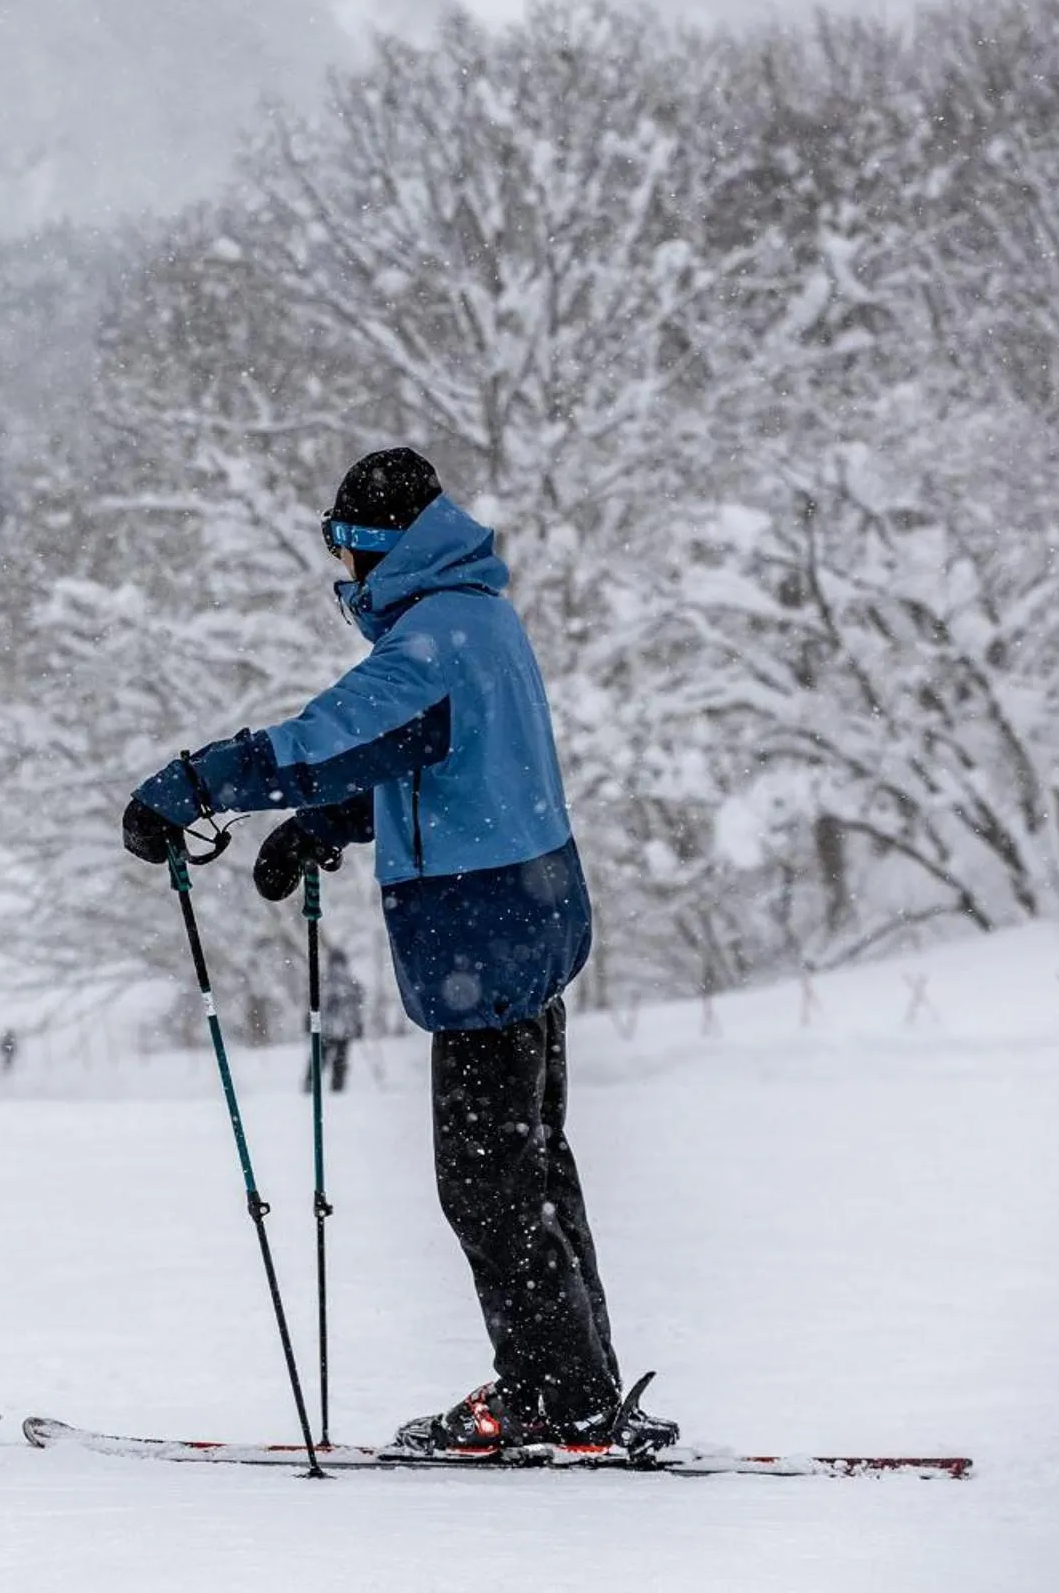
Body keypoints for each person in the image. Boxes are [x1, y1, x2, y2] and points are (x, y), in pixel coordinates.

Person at [120, 449, 677, 1459]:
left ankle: (556, 1403)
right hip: (528, 913)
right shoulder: (479, 617)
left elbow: (321, 740)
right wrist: (329, 824)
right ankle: (580, 1387)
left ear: (372, 549)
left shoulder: (430, 642)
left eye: (340, 548)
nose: (340, 572)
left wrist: (186, 788)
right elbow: (436, 758)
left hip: (482, 937)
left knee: (487, 1184)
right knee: (533, 1169)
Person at [303, 945, 365, 1096]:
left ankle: (310, 1085)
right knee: (340, 1061)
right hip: (344, 1028)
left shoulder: (323, 980)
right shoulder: (351, 982)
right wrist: (358, 1025)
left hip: (325, 1028)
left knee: (319, 1059)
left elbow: (314, 1004)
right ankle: (337, 1088)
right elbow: (357, 1006)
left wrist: (309, 1021)